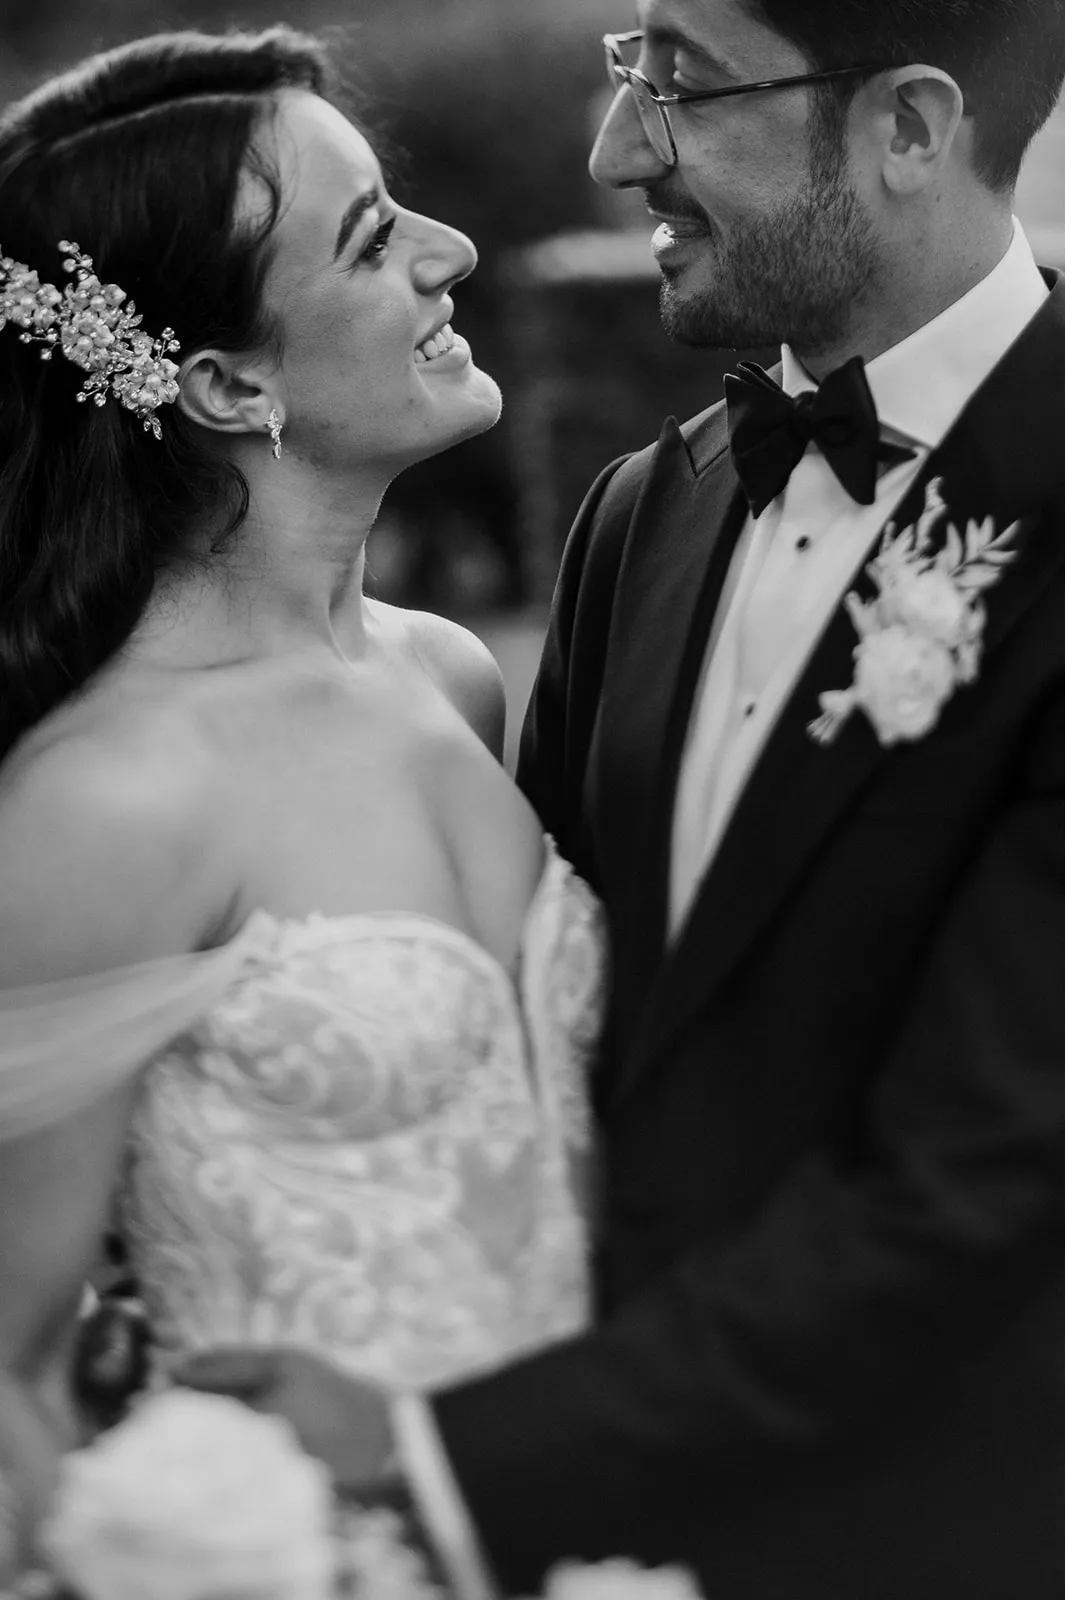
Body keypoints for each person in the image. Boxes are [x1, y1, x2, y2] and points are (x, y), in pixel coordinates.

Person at [179, 2, 1065, 1597]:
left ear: (912, 130)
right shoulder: (642, 513)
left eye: (687, 87)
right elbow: (532, 1030)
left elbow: (988, 1180)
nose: (615, 150)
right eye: (624, 67)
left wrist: (438, 1454)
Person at [0, 21, 604, 1561]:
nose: (450, 249)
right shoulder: (108, 800)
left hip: (594, 1523)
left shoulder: (452, 678)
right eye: (371, 237)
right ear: (218, 377)